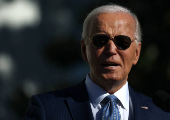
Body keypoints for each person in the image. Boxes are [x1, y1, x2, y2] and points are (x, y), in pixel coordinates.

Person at [24, 4, 170, 120]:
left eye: (122, 41)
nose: (111, 49)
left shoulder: (161, 113)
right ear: (84, 50)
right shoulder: (46, 109)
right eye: (100, 40)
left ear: (136, 53)